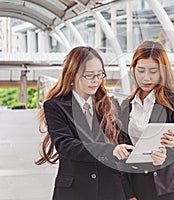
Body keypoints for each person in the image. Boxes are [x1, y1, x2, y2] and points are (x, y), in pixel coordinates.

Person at [35, 46, 134, 200]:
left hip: (111, 190)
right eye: (89, 75)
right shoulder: (55, 106)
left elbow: (121, 146)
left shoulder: (110, 104)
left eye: (99, 74)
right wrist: (109, 150)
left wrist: (129, 193)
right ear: (73, 74)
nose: (96, 80)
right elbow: (66, 145)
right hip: (75, 191)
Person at [119, 41, 174, 200]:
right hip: (138, 184)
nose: (146, 77)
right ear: (133, 70)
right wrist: (128, 192)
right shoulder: (126, 106)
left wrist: (173, 145)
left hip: (169, 186)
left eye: (153, 71)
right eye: (140, 70)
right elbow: (120, 149)